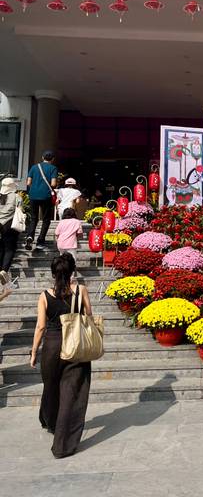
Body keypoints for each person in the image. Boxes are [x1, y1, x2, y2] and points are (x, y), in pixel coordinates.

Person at [30, 254, 92, 459]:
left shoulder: (44, 295)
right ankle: (62, 446)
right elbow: (89, 317)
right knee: (71, 395)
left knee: (51, 386)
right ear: (72, 271)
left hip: (52, 346)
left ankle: (50, 421)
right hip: (75, 345)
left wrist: (33, 352)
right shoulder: (81, 290)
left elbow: (40, 327)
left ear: (53, 273)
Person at [25, 151, 58, 251]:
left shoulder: (34, 167)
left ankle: (30, 236)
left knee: (34, 217)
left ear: (42, 157)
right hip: (46, 196)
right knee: (46, 219)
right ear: (52, 159)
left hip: (33, 195)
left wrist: (35, 188)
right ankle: (40, 241)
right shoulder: (53, 168)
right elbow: (53, 184)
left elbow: (28, 182)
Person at [0, 177, 23, 285]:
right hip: (10, 225)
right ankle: (4, 270)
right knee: (10, 249)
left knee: (1, 248)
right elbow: (20, 210)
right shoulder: (17, 197)